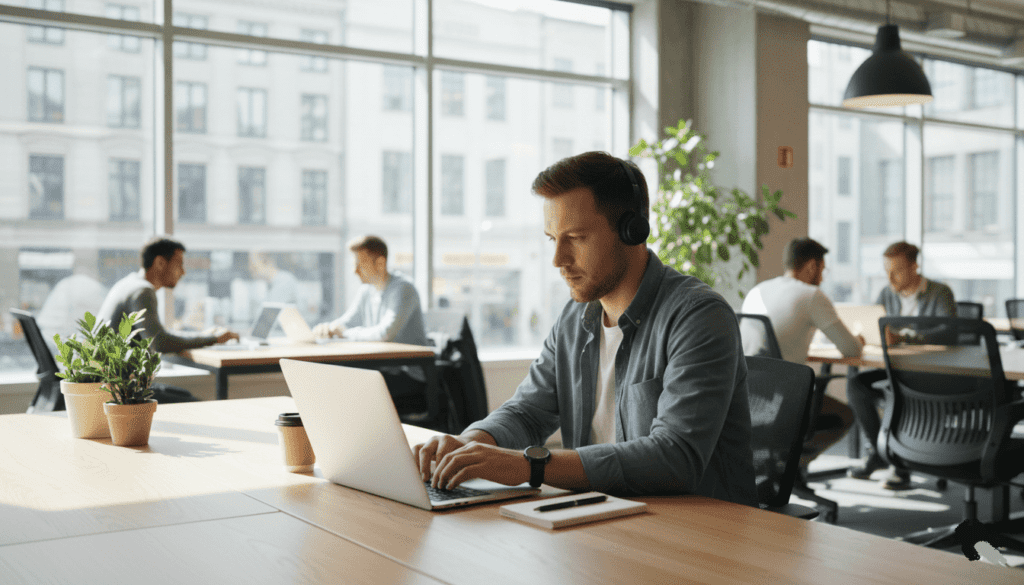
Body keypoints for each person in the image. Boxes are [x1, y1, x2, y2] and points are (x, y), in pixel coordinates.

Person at [413, 152, 757, 505]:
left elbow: (674, 457)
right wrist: (472, 444)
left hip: (700, 533)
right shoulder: (575, 320)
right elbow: (528, 411)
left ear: (631, 230)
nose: (558, 260)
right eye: (553, 239)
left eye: (576, 237)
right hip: (603, 517)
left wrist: (531, 467)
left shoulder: (698, 316)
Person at [740, 237, 862, 466]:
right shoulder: (811, 295)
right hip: (783, 400)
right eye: (822, 270)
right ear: (811, 266)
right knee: (845, 416)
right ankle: (791, 466)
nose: (822, 278)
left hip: (748, 396)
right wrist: (861, 339)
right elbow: (850, 348)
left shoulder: (757, 290)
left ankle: (779, 466)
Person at [847, 241, 955, 489]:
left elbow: (950, 333)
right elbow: (876, 324)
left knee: (899, 393)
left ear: (915, 267)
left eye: (896, 270)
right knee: (856, 386)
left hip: (930, 372)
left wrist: (905, 337)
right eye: (886, 270)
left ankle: (900, 464)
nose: (889, 276)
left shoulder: (940, 292)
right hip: (896, 369)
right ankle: (881, 452)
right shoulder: (887, 294)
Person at [97, 237, 240, 353]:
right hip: (114, 386)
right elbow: (159, 343)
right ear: (160, 263)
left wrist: (205, 336)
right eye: (179, 264)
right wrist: (213, 339)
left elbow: (159, 335)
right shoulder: (142, 291)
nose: (183, 272)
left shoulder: (128, 283)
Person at [312, 235, 428, 346]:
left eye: (360, 265)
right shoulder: (367, 290)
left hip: (408, 364)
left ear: (380, 263)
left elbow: (385, 334)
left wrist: (344, 333)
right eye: (354, 265)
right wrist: (329, 329)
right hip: (381, 361)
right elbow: (348, 322)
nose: (355, 271)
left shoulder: (404, 289)